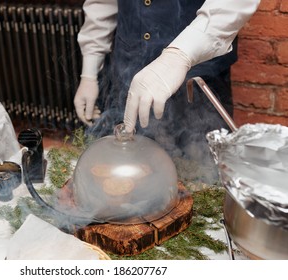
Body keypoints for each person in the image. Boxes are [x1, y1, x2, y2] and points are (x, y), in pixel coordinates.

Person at [73, 0, 260, 183]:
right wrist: (89, 73)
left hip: (197, 83)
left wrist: (179, 55)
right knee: (132, 182)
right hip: (128, 74)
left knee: (205, 179)